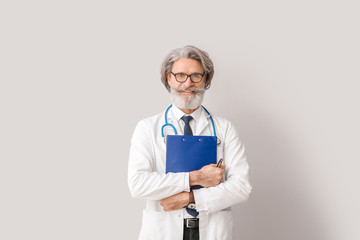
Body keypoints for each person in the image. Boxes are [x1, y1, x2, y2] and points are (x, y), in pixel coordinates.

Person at [128, 45, 251, 240]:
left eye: (196, 76)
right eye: (180, 76)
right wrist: (196, 178)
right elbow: (138, 184)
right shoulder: (147, 128)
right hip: (164, 229)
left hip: (211, 229)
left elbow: (241, 187)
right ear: (169, 78)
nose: (188, 83)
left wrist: (191, 198)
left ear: (205, 80)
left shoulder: (224, 129)